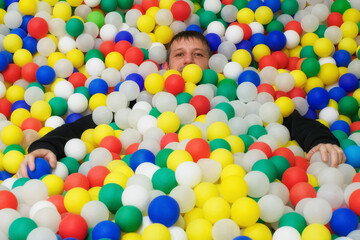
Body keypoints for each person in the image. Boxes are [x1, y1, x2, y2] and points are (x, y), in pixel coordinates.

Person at [16, 30, 346, 178]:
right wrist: (47, 145)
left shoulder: (234, 93)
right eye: (179, 54)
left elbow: (288, 120)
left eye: (197, 54)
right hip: (144, 172)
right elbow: (89, 125)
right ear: (165, 64)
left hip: (230, 170)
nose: (187, 60)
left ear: (209, 63)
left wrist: (319, 140)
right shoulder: (139, 97)